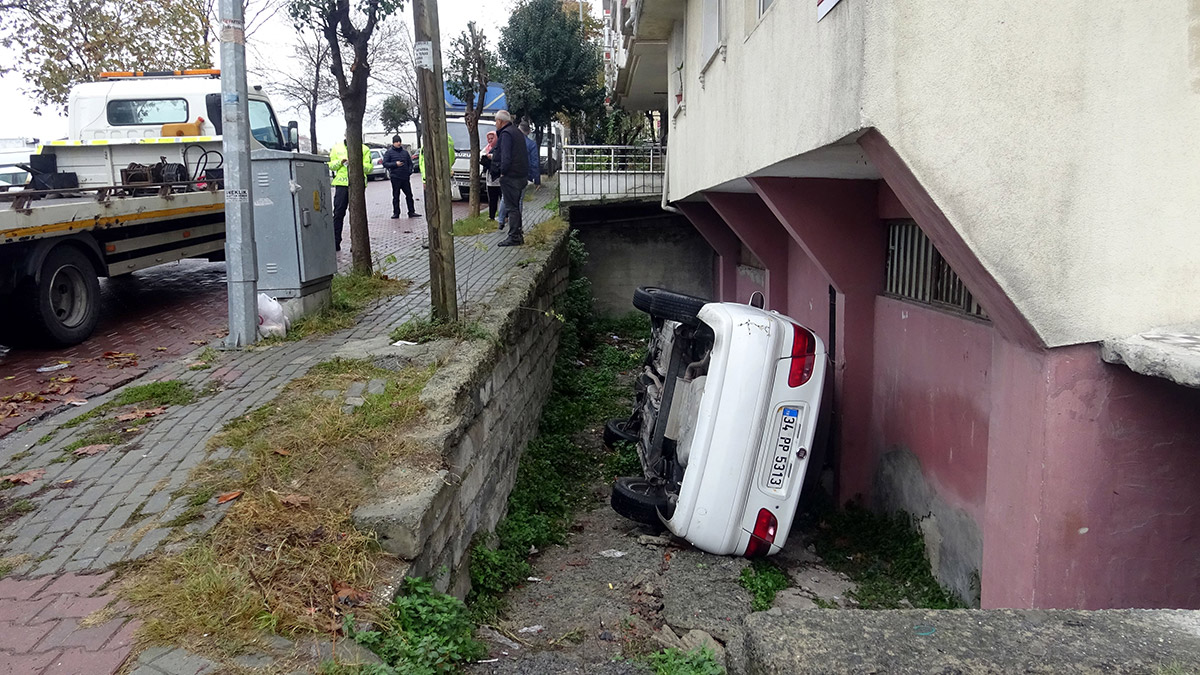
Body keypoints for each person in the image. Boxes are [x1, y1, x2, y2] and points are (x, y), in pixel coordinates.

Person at [490, 110, 528, 247]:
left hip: (511, 176)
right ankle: (518, 234)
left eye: (496, 121)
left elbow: (506, 156)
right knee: (516, 207)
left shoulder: (506, 134)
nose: (496, 124)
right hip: (521, 175)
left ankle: (514, 237)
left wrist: (502, 172)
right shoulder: (516, 132)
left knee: (511, 208)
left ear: (500, 121)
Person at [327, 137, 373, 251]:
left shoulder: (364, 149)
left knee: (357, 214)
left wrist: (357, 163)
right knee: (338, 213)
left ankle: (356, 244)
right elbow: (331, 165)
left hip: (357, 184)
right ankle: (335, 242)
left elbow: (369, 168)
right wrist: (340, 162)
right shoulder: (337, 148)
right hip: (341, 185)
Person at [383, 135, 419, 219]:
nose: (398, 143)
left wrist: (409, 171)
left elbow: (410, 163)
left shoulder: (405, 152)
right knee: (396, 196)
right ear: (393, 143)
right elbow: (385, 163)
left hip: (405, 177)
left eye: (399, 141)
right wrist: (395, 164)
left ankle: (411, 211)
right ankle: (396, 213)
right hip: (395, 177)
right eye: (396, 142)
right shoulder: (389, 153)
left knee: (409, 195)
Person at [481, 130, 501, 222]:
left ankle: (504, 216)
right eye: (488, 138)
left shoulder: (500, 148)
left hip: (500, 178)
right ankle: (491, 216)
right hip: (490, 179)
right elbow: (481, 154)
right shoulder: (487, 148)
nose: (490, 140)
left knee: (502, 199)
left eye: (492, 138)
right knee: (492, 199)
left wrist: (491, 157)